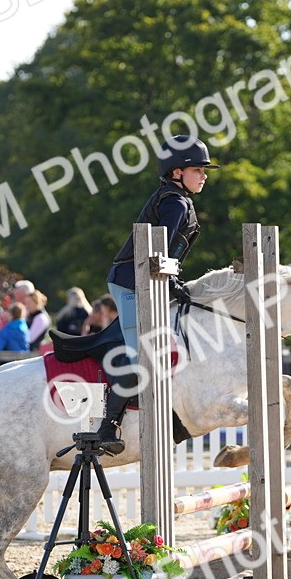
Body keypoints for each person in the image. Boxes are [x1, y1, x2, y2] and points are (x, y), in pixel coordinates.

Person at [98, 136, 220, 454]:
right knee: (140, 351)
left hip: (147, 278)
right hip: (131, 282)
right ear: (177, 172)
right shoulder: (175, 202)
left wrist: (173, 279)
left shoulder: (178, 200)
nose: (204, 175)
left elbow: (163, 256)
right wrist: (170, 279)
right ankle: (108, 425)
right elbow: (156, 250)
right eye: (198, 169)